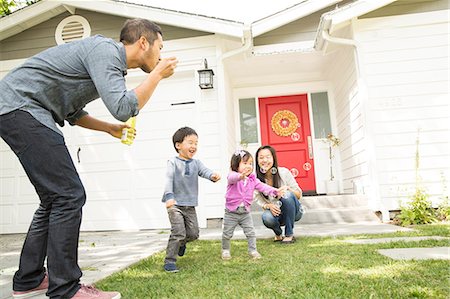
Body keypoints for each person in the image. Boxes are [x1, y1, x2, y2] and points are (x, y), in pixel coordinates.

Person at [0, 18, 178, 299]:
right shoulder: (106, 52)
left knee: (54, 198)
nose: (160, 54)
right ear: (144, 43)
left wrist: (108, 128)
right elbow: (122, 107)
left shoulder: (104, 60)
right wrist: (155, 75)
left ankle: (29, 280)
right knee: (69, 195)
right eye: (160, 47)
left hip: (16, 108)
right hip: (23, 107)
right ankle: (66, 289)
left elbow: (72, 111)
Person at [161, 127, 221, 273]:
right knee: (178, 232)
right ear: (178, 145)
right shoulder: (173, 162)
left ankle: (182, 243)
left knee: (193, 234)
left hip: (190, 205)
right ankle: (170, 261)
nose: (194, 146)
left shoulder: (196, 163)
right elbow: (168, 180)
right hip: (175, 204)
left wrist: (212, 175)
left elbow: (204, 171)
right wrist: (169, 197)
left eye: (196, 143)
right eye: (190, 142)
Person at [221, 149, 283, 260]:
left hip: (245, 212)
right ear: (236, 165)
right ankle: (225, 250)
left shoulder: (252, 179)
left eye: (250, 163)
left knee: (250, 233)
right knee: (227, 233)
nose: (249, 166)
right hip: (231, 212)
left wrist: (275, 191)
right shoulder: (233, 176)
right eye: (245, 163)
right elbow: (232, 178)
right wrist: (240, 176)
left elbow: (264, 187)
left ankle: (253, 250)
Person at [254, 145, 304, 244]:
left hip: (293, 211)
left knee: (287, 195)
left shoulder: (284, 172)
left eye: (268, 157)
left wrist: (288, 189)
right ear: (257, 161)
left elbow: (299, 195)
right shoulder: (256, 179)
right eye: (261, 157)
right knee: (266, 218)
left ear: (273, 158)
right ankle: (278, 234)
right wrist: (268, 205)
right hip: (276, 213)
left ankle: (289, 234)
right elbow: (257, 198)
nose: (265, 160)